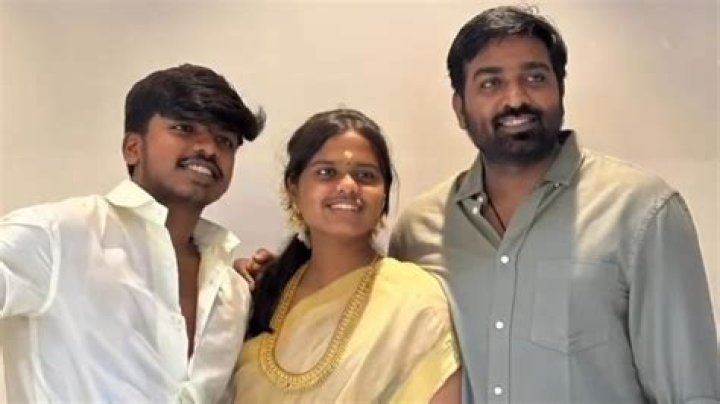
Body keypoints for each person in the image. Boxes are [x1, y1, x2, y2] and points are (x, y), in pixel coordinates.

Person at [388, 6, 719, 404]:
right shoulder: (419, 232)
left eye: (535, 78)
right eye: (491, 83)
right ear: (460, 108)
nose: (516, 99)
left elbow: (692, 392)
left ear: (560, 89)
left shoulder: (641, 212)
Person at [0, 64, 265, 403]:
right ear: (132, 148)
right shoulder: (58, 236)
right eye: (184, 128)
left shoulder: (232, 291)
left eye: (225, 141)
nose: (209, 149)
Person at [233, 108, 461, 403]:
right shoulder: (261, 290)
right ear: (293, 189)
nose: (348, 186)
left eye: (366, 175)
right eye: (326, 172)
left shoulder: (416, 300)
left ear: (384, 195)